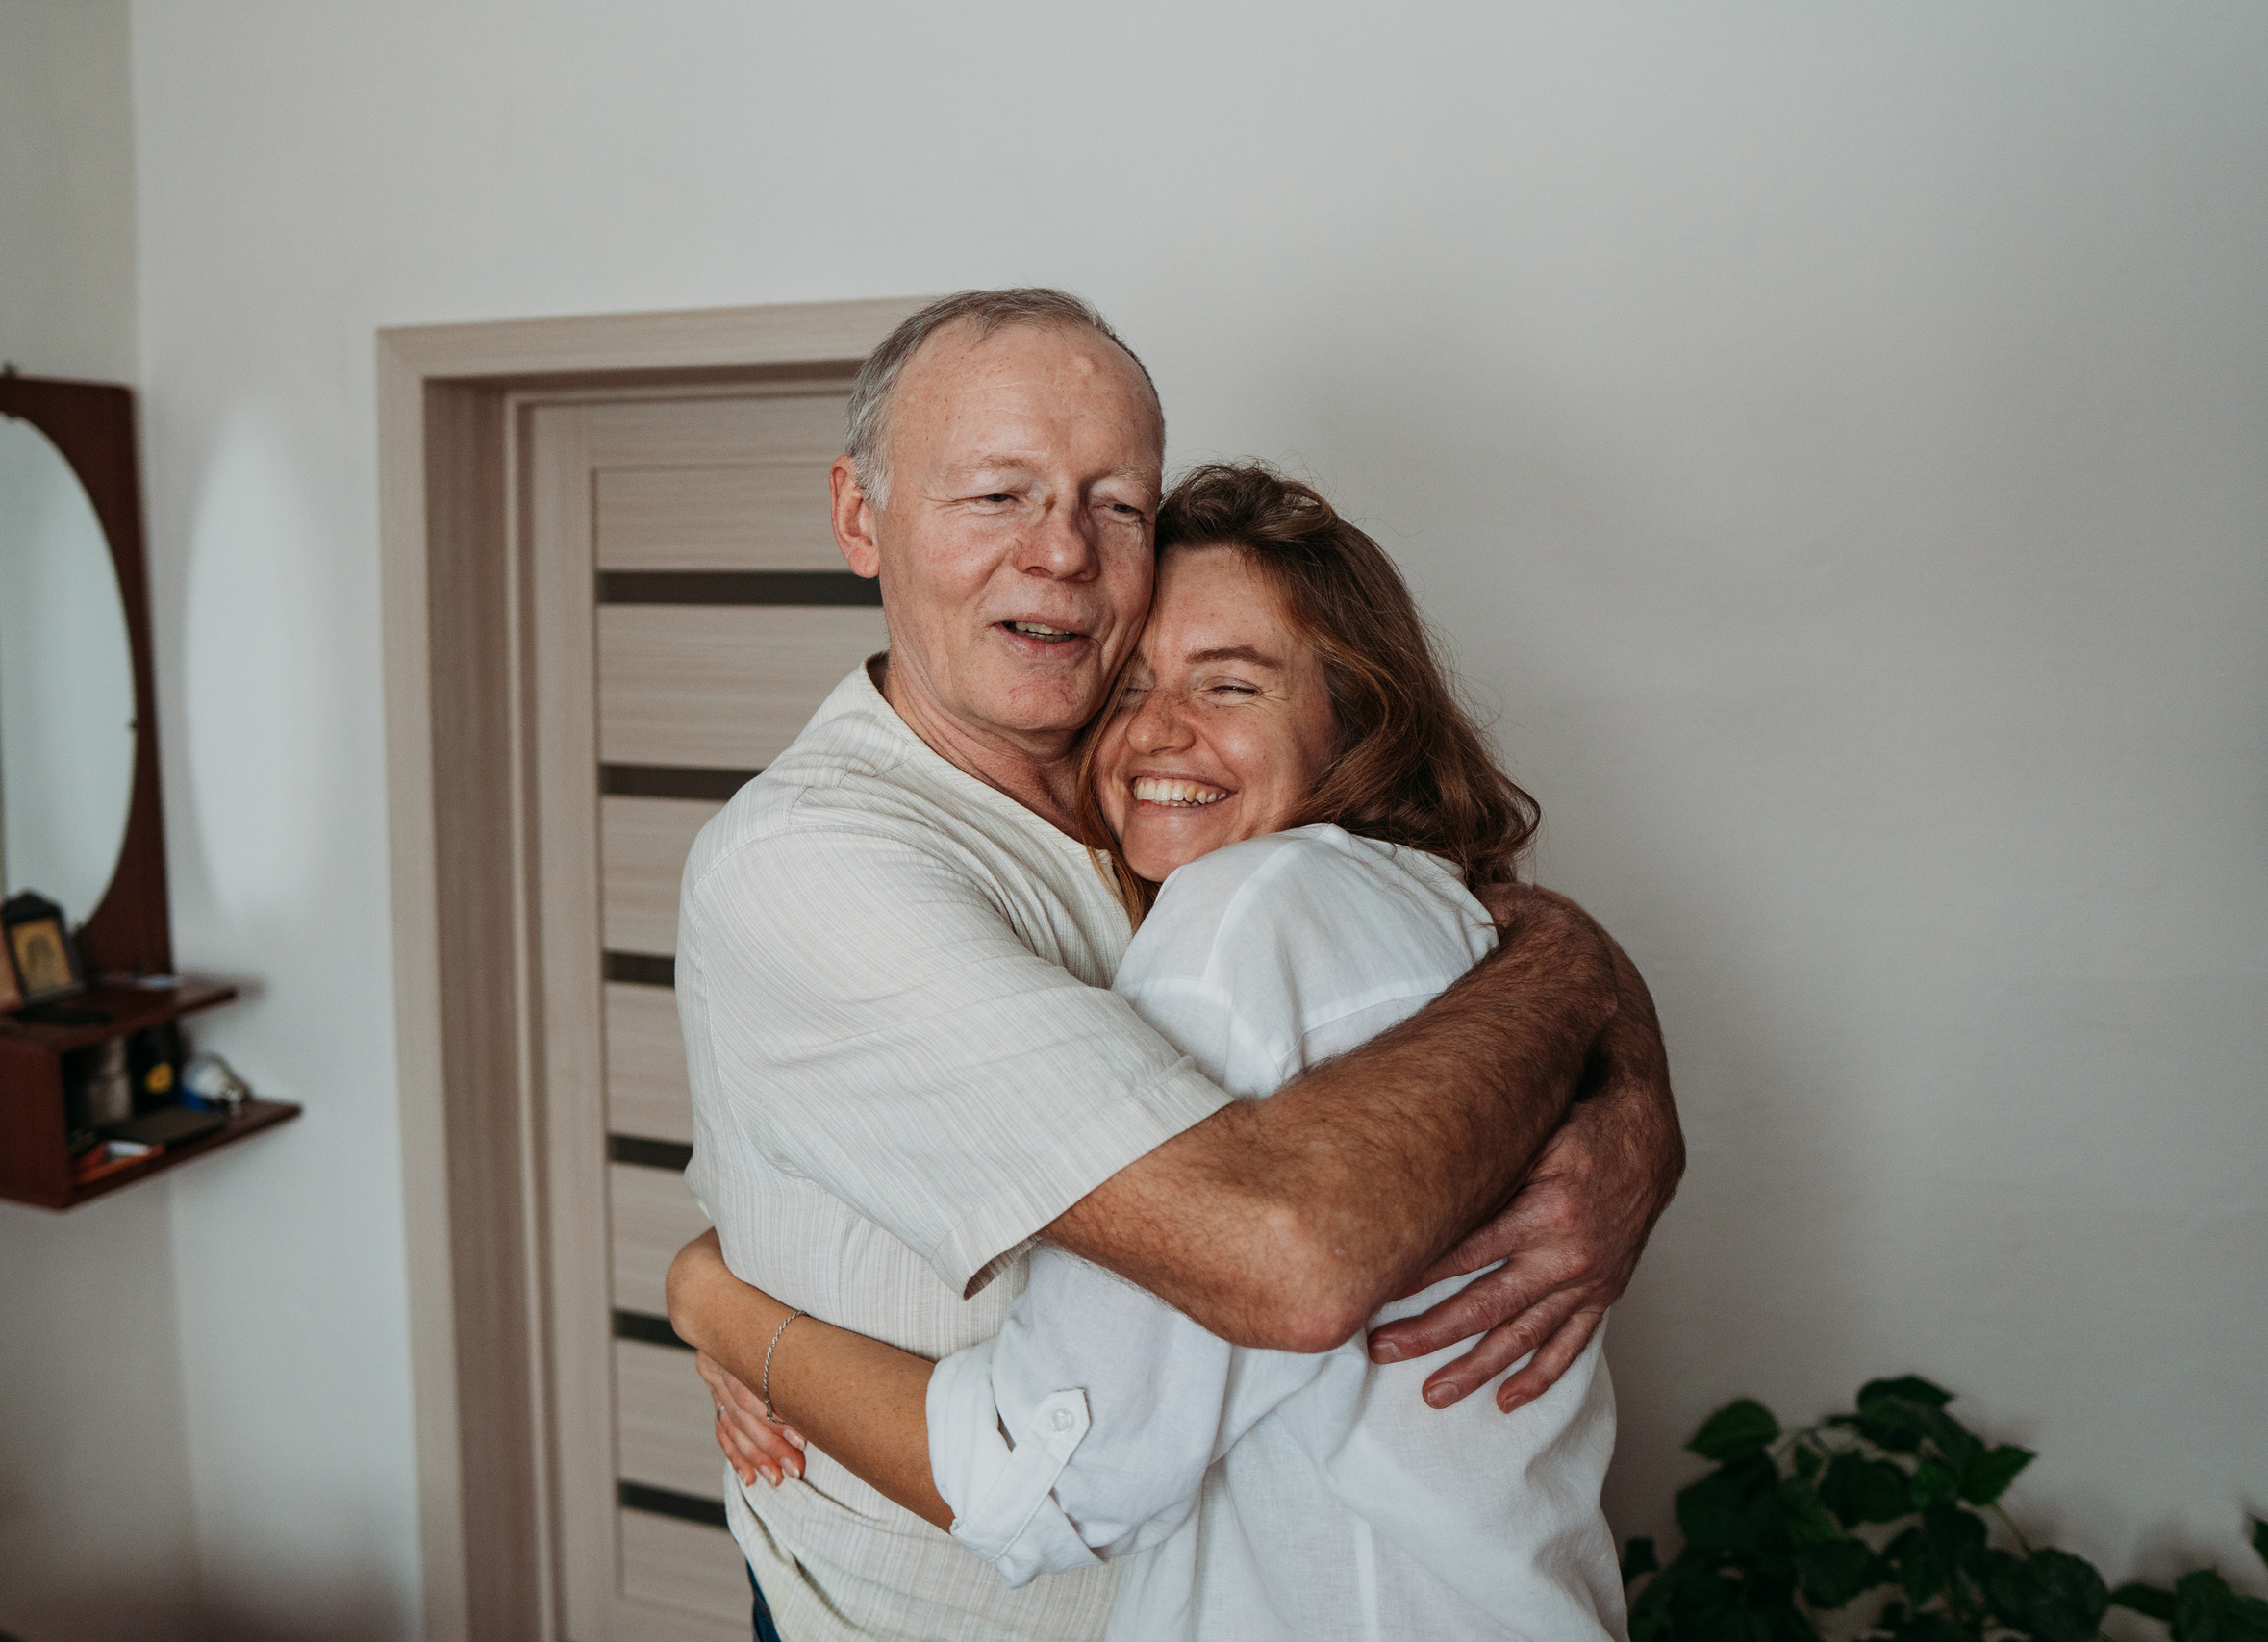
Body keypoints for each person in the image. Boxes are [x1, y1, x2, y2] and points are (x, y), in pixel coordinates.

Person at [677, 289, 1678, 1642]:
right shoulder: (815, 863)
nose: (1062, 554)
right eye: (997, 495)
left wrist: (1606, 1024)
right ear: (862, 517)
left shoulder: (1197, 851)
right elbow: (1282, 1256)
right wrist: (729, 1310)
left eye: (1116, 506)